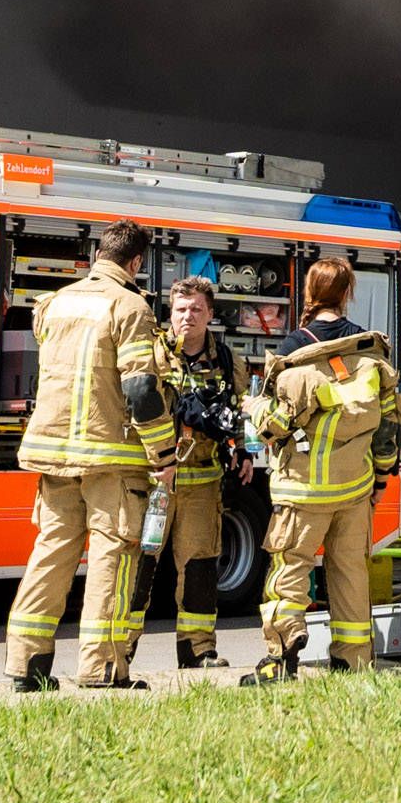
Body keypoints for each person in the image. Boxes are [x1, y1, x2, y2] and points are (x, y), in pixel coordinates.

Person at [7, 217, 167, 694]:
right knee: (111, 558)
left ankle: (25, 664)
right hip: (109, 458)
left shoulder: (55, 303)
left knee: (51, 552)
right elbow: (140, 388)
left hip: (53, 453)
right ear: (136, 261)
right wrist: (162, 452)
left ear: (99, 253)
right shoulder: (131, 307)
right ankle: (102, 669)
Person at [241, 256, 401, 681]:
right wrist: (382, 478)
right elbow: (388, 428)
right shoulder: (370, 352)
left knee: (290, 568)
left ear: (309, 294)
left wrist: (252, 404)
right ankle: (353, 659)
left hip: (303, 491)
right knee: (350, 573)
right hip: (355, 489)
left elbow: (275, 428)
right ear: (349, 293)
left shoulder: (294, 351)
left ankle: (282, 652)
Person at [154, 278, 237, 670]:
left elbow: (237, 413)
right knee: (136, 568)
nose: (188, 316)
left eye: (197, 309)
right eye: (181, 309)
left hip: (203, 480)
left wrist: (241, 449)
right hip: (154, 481)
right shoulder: (151, 353)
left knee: (201, 566)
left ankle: (198, 650)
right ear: (170, 313)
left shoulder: (226, 358)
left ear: (210, 315)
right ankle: (119, 654)